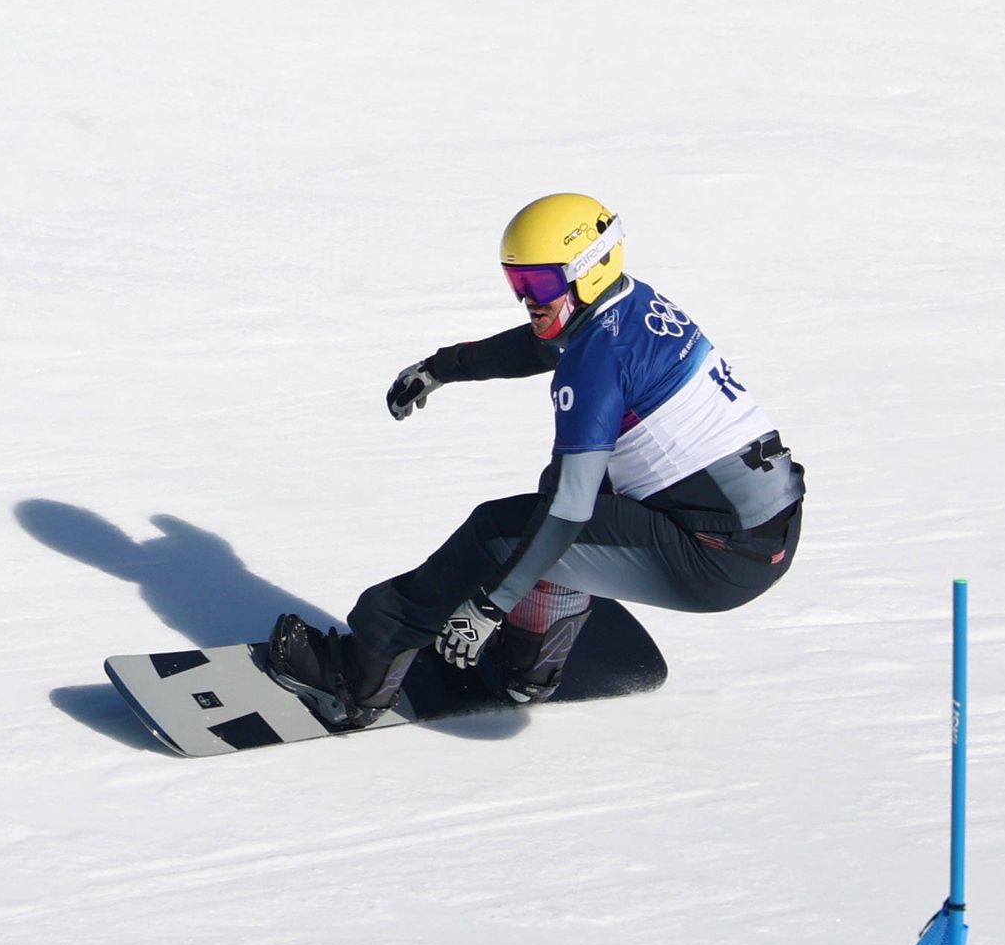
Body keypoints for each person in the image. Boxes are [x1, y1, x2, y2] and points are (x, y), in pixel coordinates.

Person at [265, 195, 802, 727]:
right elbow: (547, 345)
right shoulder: (632, 306)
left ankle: (359, 676)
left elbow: (568, 511)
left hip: (716, 560)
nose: (528, 300)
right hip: (762, 533)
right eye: (518, 283)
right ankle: (529, 666)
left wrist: (490, 605)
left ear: (586, 272)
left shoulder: (596, 364)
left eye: (541, 284)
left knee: (500, 533)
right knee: (559, 501)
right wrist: (442, 367)